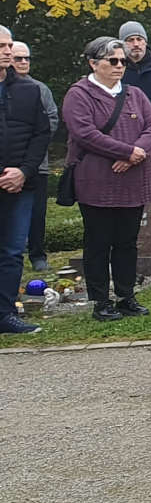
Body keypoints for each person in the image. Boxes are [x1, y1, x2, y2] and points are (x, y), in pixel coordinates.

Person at [64, 36, 151, 322]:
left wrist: (138, 152)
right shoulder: (79, 94)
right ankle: (100, 300)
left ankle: (125, 295)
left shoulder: (134, 94)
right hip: (96, 179)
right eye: (113, 61)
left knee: (127, 241)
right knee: (98, 241)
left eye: (123, 61)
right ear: (93, 63)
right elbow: (85, 133)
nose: (120, 66)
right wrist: (126, 151)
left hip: (133, 178)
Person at [0, 27, 51, 333]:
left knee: (11, 251)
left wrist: (24, 171)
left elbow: (41, 133)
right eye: (1, 46)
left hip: (21, 184)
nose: (7, 51)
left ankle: (5, 314)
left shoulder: (29, 90)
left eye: (9, 45)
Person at [11, 40, 58, 273]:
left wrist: (30, 150)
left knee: (36, 213)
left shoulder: (40, 89)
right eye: (18, 58)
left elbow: (51, 122)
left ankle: (38, 254)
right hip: (7, 164)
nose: (23, 62)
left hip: (36, 164)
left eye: (26, 58)